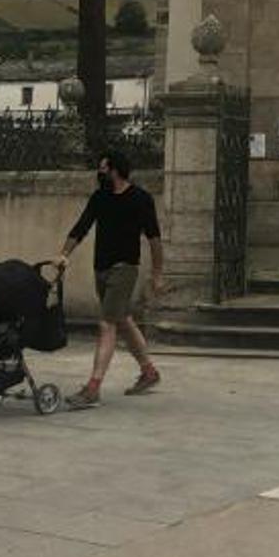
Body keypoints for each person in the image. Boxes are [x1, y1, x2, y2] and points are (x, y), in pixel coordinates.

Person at [57, 149, 164, 408]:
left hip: (123, 268)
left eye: (103, 168)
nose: (99, 172)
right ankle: (149, 372)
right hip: (101, 269)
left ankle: (93, 387)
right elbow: (81, 227)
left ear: (115, 170)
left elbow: (154, 238)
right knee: (123, 319)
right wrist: (63, 255)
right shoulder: (100, 197)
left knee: (107, 324)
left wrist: (157, 274)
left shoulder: (140, 199)